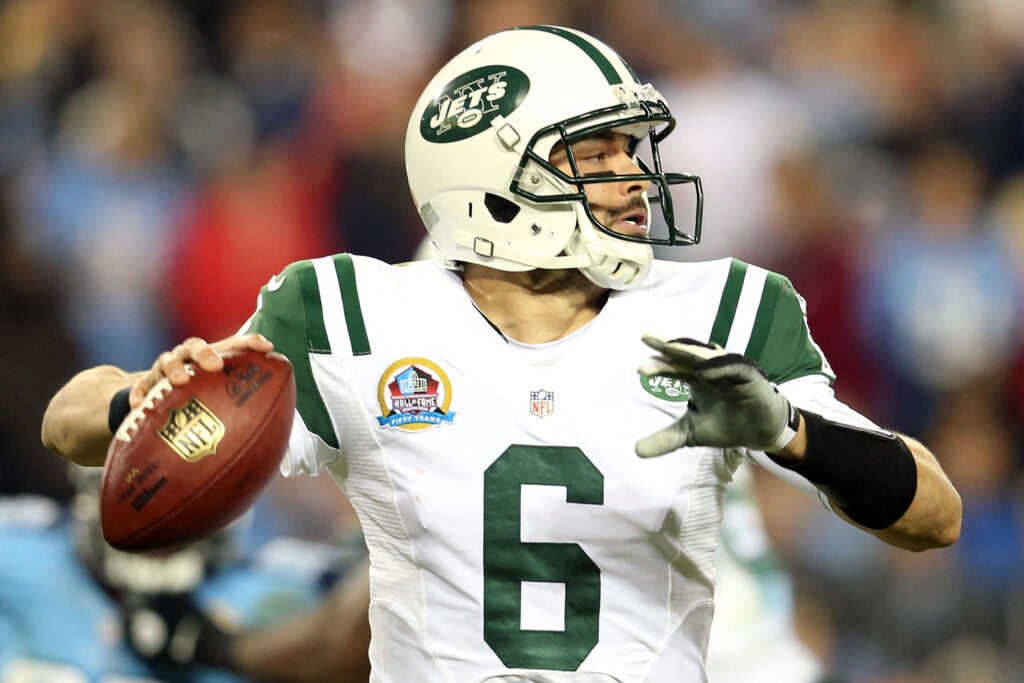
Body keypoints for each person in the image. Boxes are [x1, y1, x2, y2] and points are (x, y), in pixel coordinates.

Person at [41, 25, 961, 681]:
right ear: (493, 181)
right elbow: (72, 423)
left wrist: (797, 434)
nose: (635, 178)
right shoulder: (350, 314)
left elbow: (932, 513)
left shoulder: (725, 310)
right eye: (596, 155)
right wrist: (146, 396)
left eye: (633, 150)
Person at [0, 466, 344, 683]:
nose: (155, 533)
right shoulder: (23, 554)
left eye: (180, 509)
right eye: (135, 501)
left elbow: (364, 630)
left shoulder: (279, 589)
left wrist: (222, 646)